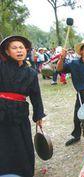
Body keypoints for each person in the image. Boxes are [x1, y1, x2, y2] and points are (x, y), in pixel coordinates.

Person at [0, 36, 45, 177]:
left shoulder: (31, 73)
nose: (19, 50)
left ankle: (22, 172)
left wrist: (38, 115)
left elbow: (36, 95)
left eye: (21, 48)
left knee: (22, 143)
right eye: (14, 48)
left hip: (20, 114)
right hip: (1, 112)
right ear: (7, 52)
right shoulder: (1, 67)